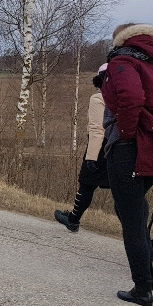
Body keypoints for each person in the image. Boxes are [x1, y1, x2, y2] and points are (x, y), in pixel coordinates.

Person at [102, 23, 153, 306]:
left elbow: (130, 98)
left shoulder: (122, 64)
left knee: (131, 219)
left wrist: (127, 135)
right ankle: (150, 274)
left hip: (129, 151)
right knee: (132, 208)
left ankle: (142, 289)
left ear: (121, 41)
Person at [55, 64, 111, 232]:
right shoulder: (127, 97)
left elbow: (97, 129)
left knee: (86, 184)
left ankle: (73, 219)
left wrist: (91, 157)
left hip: (101, 148)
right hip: (123, 149)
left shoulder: (99, 98)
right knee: (125, 192)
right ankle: (138, 233)